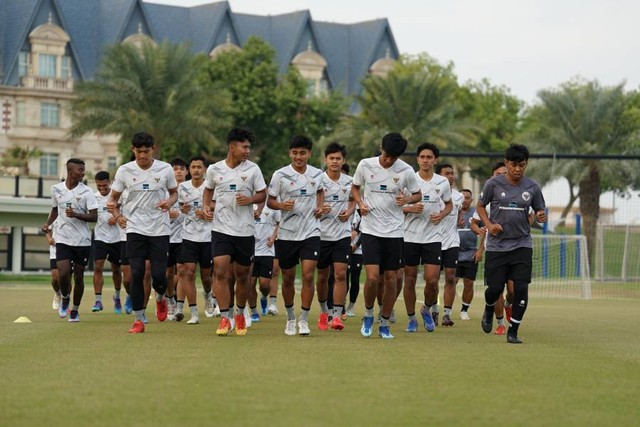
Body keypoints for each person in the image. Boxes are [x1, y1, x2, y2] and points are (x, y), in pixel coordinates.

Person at [351, 132, 421, 339]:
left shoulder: (406, 171)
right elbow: (355, 188)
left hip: (394, 231)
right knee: (372, 278)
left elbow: (418, 194)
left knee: (391, 278)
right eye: (386, 155)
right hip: (371, 229)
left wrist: (407, 200)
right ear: (381, 147)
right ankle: (369, 314)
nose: (389, 160)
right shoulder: (365, 165)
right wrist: (361, 203)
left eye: (394, 157)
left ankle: (384, 322)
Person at [107, 132, 178, 333]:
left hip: (159, 229)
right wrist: (117, 214)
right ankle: (138, 320)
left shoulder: (165, 169)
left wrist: (170, 202)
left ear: (152, 149)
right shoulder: (124, 171)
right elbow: (112, 200)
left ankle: (162, 298)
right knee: (136, 273)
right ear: (133, 150)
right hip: (135, 228)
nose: (142, 156)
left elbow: (174, 193)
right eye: (139, 152)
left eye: (146, 152)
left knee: (159, 276)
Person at [476, 144, 547, 344]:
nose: (517, 169)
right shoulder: (493, 184)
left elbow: (540, 212)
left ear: (526, 165)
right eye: (514, 165)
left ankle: (513, 331)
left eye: (522, 165)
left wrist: (541, 216)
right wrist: (489, 225)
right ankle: (489, 308)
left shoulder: (532, 187)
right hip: (497, 246)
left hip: (522, 245)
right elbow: (480, 206)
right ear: (506, 163)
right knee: (495, 289)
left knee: (520, 289)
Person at [203, 127, 267, 336]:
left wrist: (251, 200)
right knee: (220, 270)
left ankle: (239, 313)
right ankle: (224, 318)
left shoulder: (253, 170)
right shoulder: (214, 169)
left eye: (249, 147)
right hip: (221, 229)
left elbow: (262, 194)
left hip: (245, 231)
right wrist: (206, 206)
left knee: (242, 276)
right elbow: (208, 189)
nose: (248, 151)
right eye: (244, 146)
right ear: (232, 147)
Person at [267, 134, 324, 336]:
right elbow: (270, 201)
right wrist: (282, 205)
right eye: (295, 153)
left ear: (309, 154)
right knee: (288, 277)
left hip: (311, 231)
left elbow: (320, 191)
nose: (298, 157)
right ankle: (291, 317)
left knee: (309, 274)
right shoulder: (280, 175)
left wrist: (319, 207)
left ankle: (304, 319)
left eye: (302, 153)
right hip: (287, 234)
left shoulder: (317, 174)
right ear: (290, 153)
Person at [400, 143, 451, 333]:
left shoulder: (442, 182)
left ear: (435, 160)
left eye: (429, 157)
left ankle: (427, 309)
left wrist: (442, 214)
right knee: (410, 279)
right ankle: (412, 318)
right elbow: (397, 206)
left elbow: (449, 205)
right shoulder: (408, 179)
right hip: (410, 237)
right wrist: (410, 208)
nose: (425, 160)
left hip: (433, 237)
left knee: (432, 279)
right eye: (422, 157)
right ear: (417, 159)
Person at [42, 158, 98, 322]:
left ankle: (75, 309)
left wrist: (77, 215)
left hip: (82, 241)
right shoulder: (56, 189)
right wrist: (48, 224)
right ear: (70, 171)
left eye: (83, 169)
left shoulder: (87, 191)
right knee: (64, 273)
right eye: (80, 170)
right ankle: (65, 297)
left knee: (79, 276)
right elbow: (55, 209)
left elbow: (94, 216)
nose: (83, 172)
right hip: (63, 239)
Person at [315, 143, 355, 331]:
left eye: (338, 158)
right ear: (326, 160)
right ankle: (325, 312)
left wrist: (349, 211)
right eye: (331, 158)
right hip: (321, 235)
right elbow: (311, 206)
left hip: (342, 235)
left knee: (340, 274)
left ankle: (337, 316)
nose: (335, 161)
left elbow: (354, 200)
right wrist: (320, 210)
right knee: (322, 276)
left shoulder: (350, 181)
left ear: (343, 161)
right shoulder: (318, 180)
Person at [470, 161, 509, 334]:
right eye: (498, 174)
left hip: (516, 249)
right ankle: (500, 323)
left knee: (515, 290)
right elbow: (476, 223)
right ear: (492, 176)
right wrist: (480, 247)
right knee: (497, 288)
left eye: (504, 173)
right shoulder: (486, 197)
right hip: (494, 251)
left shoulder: (518, 193)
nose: (501, 176)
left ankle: (509, 305)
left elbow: (530, 216)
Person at [176, 156, 214, 325]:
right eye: (193, 167)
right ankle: (194, 313)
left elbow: (220, 208)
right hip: (188, 235)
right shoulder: (182, 187)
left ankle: (207, 294)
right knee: (188, 272)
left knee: (206, 276)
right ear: (189, 170)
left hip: (208, 236)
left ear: (205, 169)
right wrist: (182, 210)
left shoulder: (211, 187)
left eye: (199, 167)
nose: (196, 170)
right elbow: (177, 207)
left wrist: (207, 213)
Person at [435, 163, 464, 327]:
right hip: (434, 241)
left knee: (451, 277)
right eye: (447, 173)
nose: (451, 176)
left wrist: (460, 220)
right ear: (440, 176)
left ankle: (446, 314)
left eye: (452, 173)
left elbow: (460, 216)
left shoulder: (458, 196)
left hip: (452, 241)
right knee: (432, 280)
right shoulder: (433, 193)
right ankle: (433, 309)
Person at [91, 171, 123, 314]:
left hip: (117, 238)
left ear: (109, 182)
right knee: (98, 267)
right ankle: (98, 300)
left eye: (104, 185)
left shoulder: (117, 196)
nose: (102, 188)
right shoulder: (93, 198)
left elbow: (126, 211)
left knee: (117, 269)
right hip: (100, 238)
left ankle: (117, 296)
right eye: (99, 186)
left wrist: (116, 217)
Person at [454, 189, 483, 321]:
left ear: (471, 200)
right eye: (462, 197)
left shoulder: (476, 214)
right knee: (451, 281)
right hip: (453, 251)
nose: (465, 200)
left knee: (468, 283)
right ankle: (445, 310)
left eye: (467, 198)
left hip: (470, 253)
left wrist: (480, 250)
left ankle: (464, 310)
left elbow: (485, 232)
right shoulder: (452, 211)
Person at [248, 202, 279, 322]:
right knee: (250, 283)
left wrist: (274, 236)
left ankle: (264, 297)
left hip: (267, 250)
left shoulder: (271, 206)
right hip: (250, 250)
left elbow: (279, 222)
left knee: (265, 285)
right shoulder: (247, 204)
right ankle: (254, 311)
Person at [166, 158, 187, 321]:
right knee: (167, 273)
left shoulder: (192, 189)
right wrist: (167, 214)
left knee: (181, 271)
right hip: (165, 237)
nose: (178, 171)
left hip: (185, 238)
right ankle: (169, 299)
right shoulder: (166, 190)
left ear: (186, 171)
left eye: (181, 169)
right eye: (175, 169)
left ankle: (179, 307)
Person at [345, 209, 363, 318]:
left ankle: (351, 306)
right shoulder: (344, 208)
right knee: (344, 277)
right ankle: (341, 305)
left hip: (358, 249)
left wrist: (356, 245)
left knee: (355, 279)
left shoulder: (360, 211)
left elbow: (363, 230)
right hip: (344, 248)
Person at [45, 219, 61, 310]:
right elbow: (46, 229)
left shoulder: (72, 214)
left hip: (69, 249)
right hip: (55, 250)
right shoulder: (54, 215)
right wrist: (49, 239)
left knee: (66, 277)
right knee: (55, 278)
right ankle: (58, 294)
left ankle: (66, 300)